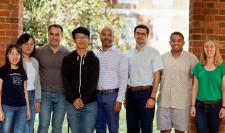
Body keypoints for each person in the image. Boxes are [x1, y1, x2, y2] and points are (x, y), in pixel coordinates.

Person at [156, 32, 198, 133]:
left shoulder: (191, 58)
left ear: (183, 42)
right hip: (164, 102)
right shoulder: (162, 58)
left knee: (180, 131)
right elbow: (156, 79)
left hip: (182, 103)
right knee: (164, 131)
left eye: (179, 41)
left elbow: (196, 82)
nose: (176, 43)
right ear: (170, 42)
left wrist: (193, 102)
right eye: (173, 40)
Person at [126, 24, 163, 133]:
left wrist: (152, 97)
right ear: (134, 35)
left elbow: (157, 77)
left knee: (146, 128)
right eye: (138, 33)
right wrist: (125, 96)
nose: (140, 36)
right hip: (131, 94)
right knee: (132, 128)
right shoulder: (128, 54)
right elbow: (126, 76)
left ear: (147, 36)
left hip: (146, 94)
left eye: (143, 34)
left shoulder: (154, 53)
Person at [62, 27, 99, 133]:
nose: (82, 40)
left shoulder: (94, 60)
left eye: (84, 37)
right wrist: (74, 100)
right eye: (78, 37)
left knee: (88, 131)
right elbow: (66, 81)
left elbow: (93, 82)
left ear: (89, 40)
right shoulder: (68, 59)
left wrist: (83, 100)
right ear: (74, 40)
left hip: (90, 104)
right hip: (72, 103)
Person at [35, 24, 70, 133]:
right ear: (48, 35)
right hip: (45, 94)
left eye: (57, 34)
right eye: (51, 34)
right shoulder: (39, 52)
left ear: (61, 36)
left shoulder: (68, 54)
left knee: (57, 127)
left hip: (62, 95)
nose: (54, 37)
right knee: (43, 126)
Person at [95, 27, 128, 133]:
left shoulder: (120, 56)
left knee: (113, 128)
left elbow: (124, 80)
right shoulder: (95, 55)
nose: (106, 37)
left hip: (112, 97)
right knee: (99, 127)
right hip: (97, 96)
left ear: (113, 38)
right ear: (100, 37)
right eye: (104, 34)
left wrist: (119, 100)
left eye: (109, 35)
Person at [190, 39, 225, 133]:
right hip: (199, 107)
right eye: (206, 46)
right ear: (203, 49)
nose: (209, 49)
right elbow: (195, 87)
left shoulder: (222, 66)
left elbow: (224, 88)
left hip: (216, 107)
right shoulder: (198, 67)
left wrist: (224, 107)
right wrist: (192, 106)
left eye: (211, 46)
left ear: (215, 49)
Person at [0, 44, 30, 133]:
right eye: (12, 53)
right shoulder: (2, 70)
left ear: (20, 56)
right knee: (5, 131)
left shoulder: (22, 71)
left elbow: (25, 92)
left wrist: (28, 109)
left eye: (17, 54)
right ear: (7, 55)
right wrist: (0, 110)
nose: (15, 56)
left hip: (22, 108)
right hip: (7, 107)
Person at [16, 33, 42, 133]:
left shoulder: (35, 61)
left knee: (30, 126)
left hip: (32, 96)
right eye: (26, 44)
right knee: (23, 127)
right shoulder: (17, 60)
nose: (29, 46)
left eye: (32, 44)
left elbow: (38, 82)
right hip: (21, 96)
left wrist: (38, 100)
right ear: (20, 45)